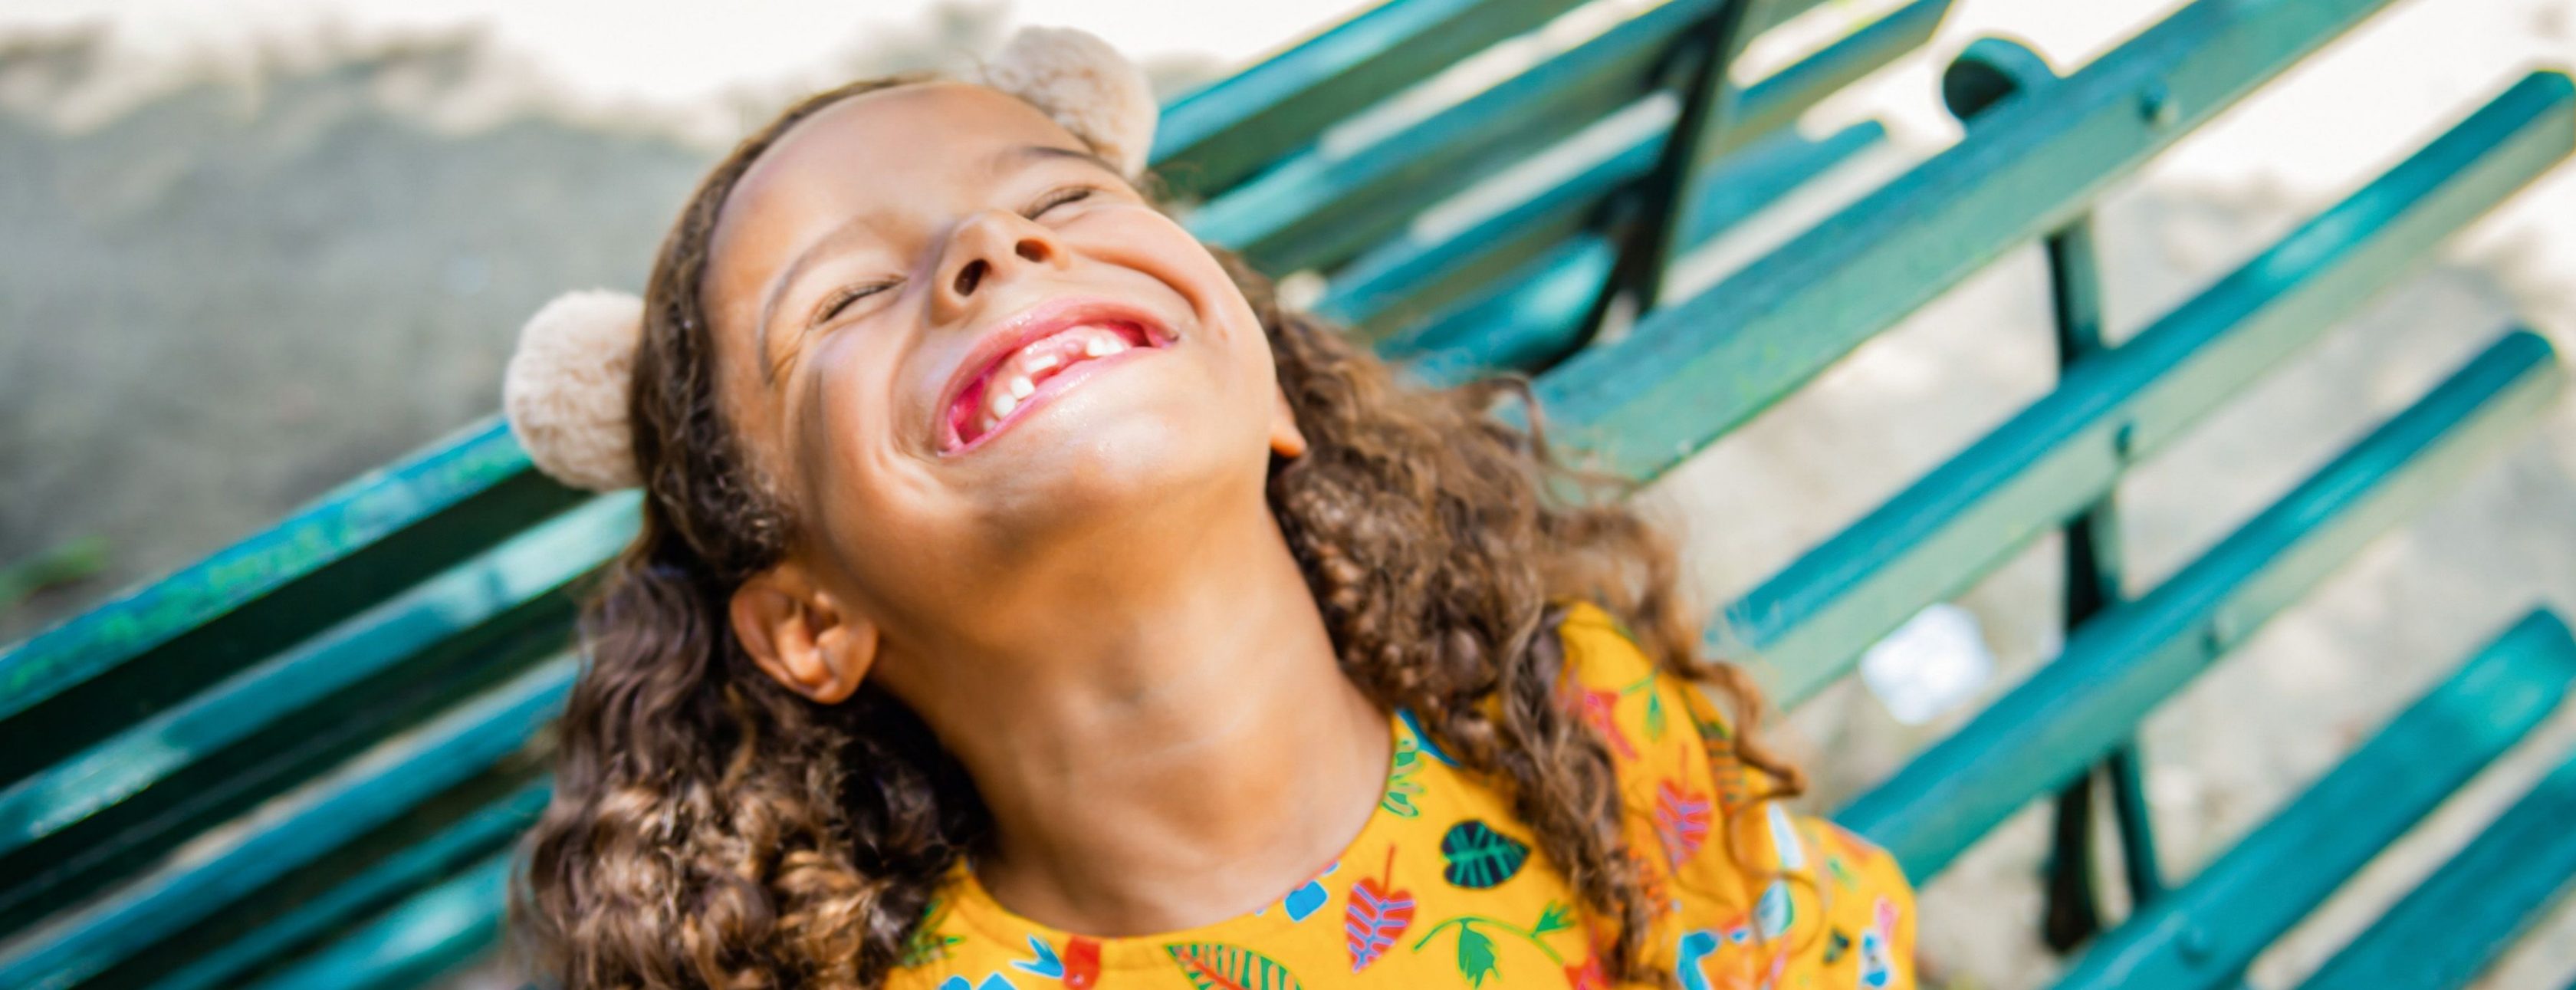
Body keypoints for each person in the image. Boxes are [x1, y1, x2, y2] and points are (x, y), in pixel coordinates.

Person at [504, 26, 1915, 990]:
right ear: (811, 621)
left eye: (1059, 193)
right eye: (851, 297)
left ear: (1275, 395)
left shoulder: (1581, 723)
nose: (993, 244)